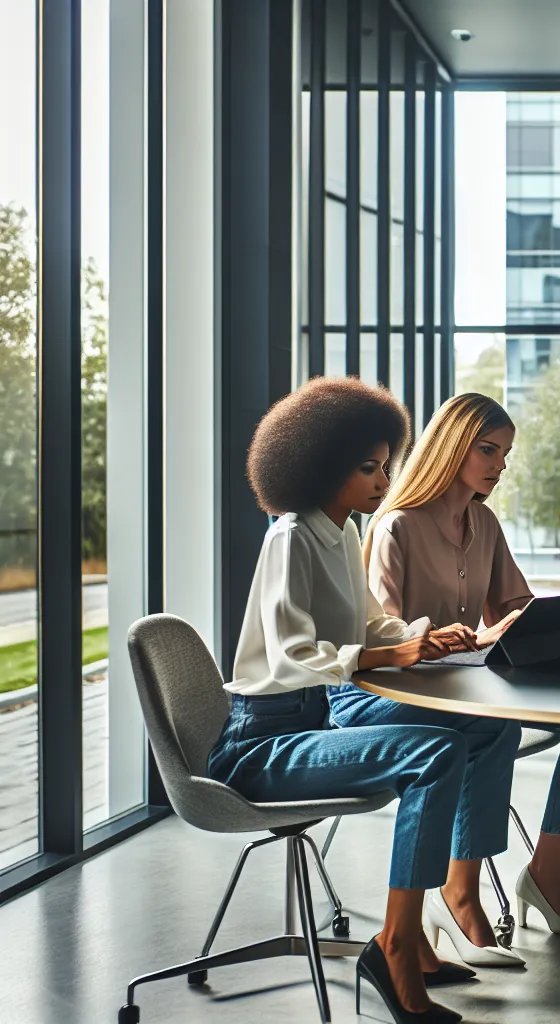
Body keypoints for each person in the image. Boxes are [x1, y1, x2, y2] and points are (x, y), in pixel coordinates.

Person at [207, 376, 483, 1023]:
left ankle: (413, 931)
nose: (383, 482)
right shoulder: (291, 536)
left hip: (312, 723)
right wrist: (388, 656)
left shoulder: (341, 534)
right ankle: (395, 943)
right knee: (437, 752)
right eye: (367, 468)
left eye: (386, 466)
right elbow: (290, 654)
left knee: (478, 727)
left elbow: (368, 626)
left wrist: (422, 638)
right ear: (319, 464)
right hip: (261, 743)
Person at [360, 392, 560, 927]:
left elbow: (514, 607)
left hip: (478, 682)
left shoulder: (483, 525)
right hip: (419, 687)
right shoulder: (398, 525)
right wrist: (481, 636)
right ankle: (462, 893)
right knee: (500, 728)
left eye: (505, 454)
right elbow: (387, 631)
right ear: (452, 447)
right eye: (488, 450)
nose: (499, 466)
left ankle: (546, 868)